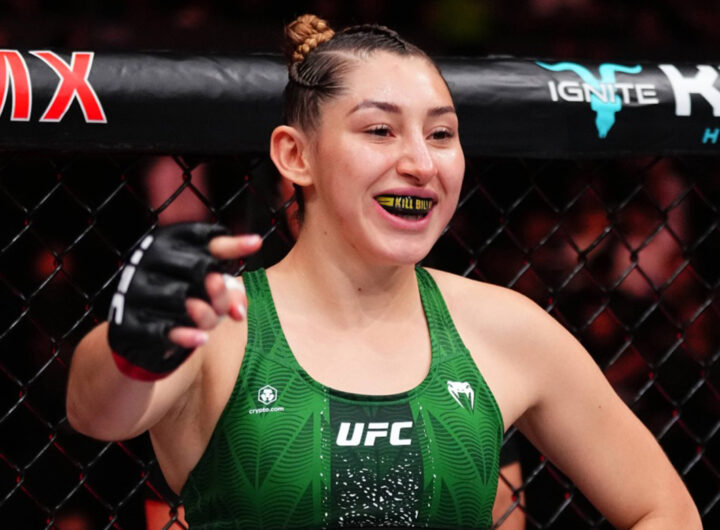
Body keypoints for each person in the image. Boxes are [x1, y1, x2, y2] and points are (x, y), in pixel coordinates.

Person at [66, 14, 701, 529]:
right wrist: (130, 343)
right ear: (296, 155)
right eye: (380, 130)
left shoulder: (504, 328)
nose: (421, 163)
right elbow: (96, 415)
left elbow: (666, 511)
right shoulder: (223, 322)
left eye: (442, 134)